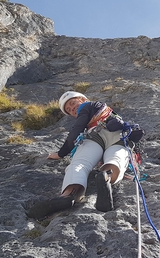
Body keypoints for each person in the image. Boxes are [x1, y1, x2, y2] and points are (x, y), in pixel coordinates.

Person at [27, 91, 136, 220]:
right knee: (116, 159)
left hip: (95, 136)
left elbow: (75, 134)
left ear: (83, 100)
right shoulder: (105, 110)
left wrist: (61, 153)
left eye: (73, 103)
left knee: (80, 163)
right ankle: (106, 178)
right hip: (117, 135)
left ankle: (69, 195)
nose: (72, 108)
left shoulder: (86, 106)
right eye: (69, 110)